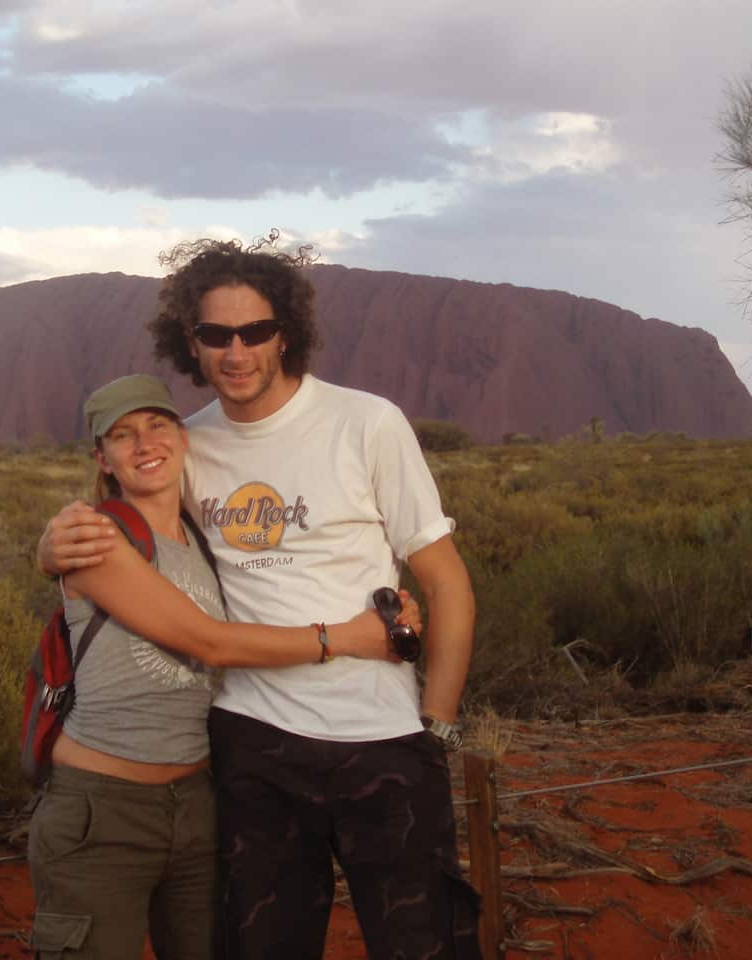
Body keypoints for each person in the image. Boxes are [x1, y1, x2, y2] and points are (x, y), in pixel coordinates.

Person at [39, 236, 480, 960]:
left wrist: (438, 727)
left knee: (426, 943)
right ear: (192, 342)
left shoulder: (366, 423)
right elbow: (122, 504)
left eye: (255, 332)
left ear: (286, 335)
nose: (235, 351)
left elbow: (446, 580)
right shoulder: (192, 442)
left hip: (382, 741)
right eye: (215, 335)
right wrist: (51, 544)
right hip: (250, 745)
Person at [27, 372, 417, 960]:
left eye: (158, 426)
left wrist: (392, 606)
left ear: (184, 438)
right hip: (102, 810)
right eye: (124, 435)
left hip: (196, 805)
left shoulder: (202, 536)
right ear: (102, 457)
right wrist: (351, 638)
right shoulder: (97, 539)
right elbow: (210, 642)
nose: (145, 445)